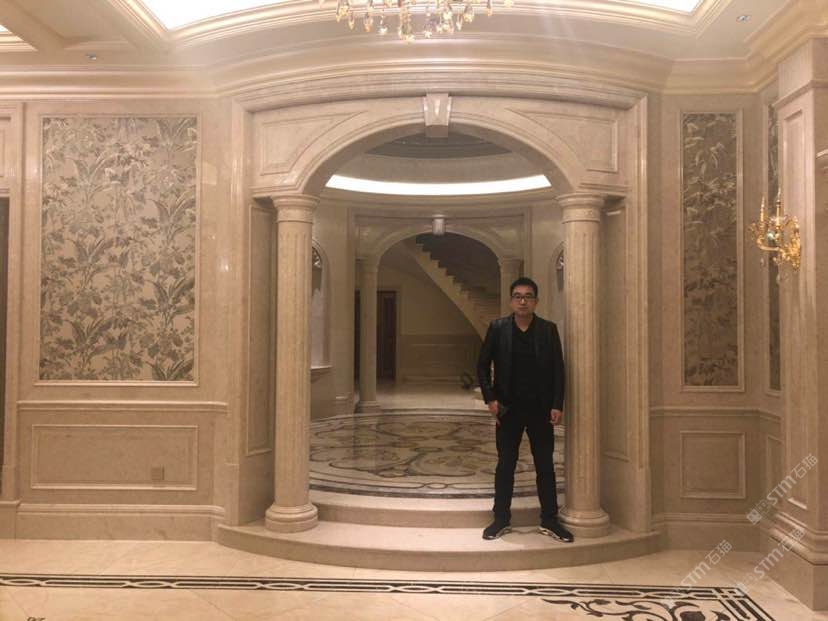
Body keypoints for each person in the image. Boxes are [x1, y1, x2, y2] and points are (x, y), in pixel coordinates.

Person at [476, 276, 573, 543]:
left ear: (536, 301)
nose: (522, 301)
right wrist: (490, 399)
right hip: (508, 410)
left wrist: (557, 404)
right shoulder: (498, 328)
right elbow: (482, 366)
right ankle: (501, 518)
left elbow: (558, 370)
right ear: (511, 301)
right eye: (518, 296)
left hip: (540, 410)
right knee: (505, 465)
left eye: (528, 297)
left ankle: (550, 520)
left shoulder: (548, 330)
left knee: (545, 466)